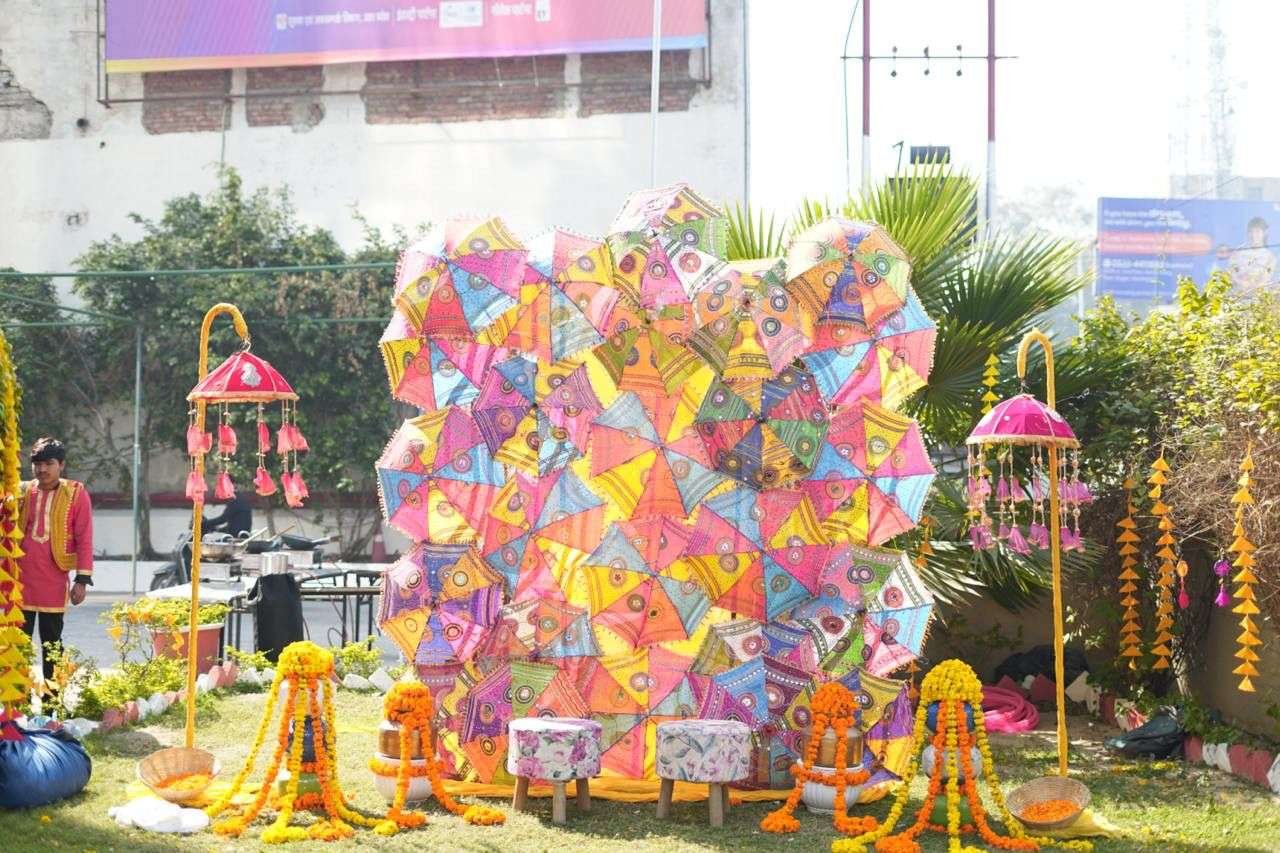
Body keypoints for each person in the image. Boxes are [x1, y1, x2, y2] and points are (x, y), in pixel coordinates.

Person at [15, 437, 93, 682]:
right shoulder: (22, 491)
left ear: (61, 465)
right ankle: (19, 698)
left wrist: (82, 580)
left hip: (54, 579)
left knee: (51, 643)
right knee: (19, 643)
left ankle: (52, 700)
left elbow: (84, 537)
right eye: (37, 464)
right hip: (20, 579)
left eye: (49, 463)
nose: (42, 469)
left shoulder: (76, 493)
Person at [1226, 216, 1278, 295]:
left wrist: (1253, 286)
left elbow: (1266, 279)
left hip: (1258, 298)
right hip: (1238, 296)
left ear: (1265, 233)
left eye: (1257, 232)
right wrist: (1243, 283)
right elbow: (1231, 272)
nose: (1253, 235)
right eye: (1251, 232)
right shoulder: (1238, 253)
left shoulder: (1270, 257)